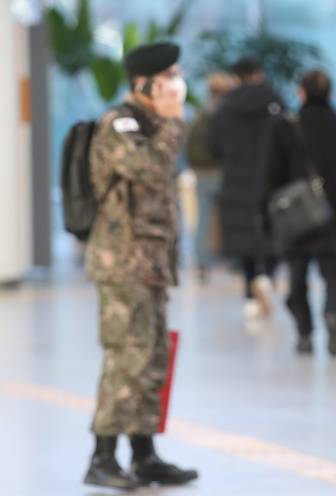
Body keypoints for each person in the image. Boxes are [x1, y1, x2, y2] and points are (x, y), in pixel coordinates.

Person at [84, 42, 198, 490]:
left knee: (151, 358)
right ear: (143, 83)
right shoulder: (120, 124)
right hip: (123, 264)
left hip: (148, 264)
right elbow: (148, 168)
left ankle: (143, 454)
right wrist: (172, 122)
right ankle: (102, 456)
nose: (175, 84)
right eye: (168, 76)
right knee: (125, 358)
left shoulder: (151, 124)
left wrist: (167, 122)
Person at [263, 70, 336, 355]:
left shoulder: (284, 128)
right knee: (335, 276)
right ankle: (333, 314)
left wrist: (267, 218)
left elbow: (271, 177)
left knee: (297, 279)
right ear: (329, 94)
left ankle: (305, 334)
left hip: (296, 217)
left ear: (301, 93)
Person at [206, 58, 284, 319]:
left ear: (235, 77)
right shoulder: (275, 102)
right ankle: (268, 276)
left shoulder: (226, 107)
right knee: (271, 229)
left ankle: (251, 292)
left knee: (243, 235)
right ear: (259, 74)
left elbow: (213, 145)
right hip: (272, 178)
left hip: (236, 179)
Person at [186, 72, 234, 283]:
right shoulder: (227, 113)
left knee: (203, 219)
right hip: (222, 171)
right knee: (228, 217)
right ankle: (232, 259)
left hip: (201, 172)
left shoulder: (200, 113)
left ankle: (202, 262)